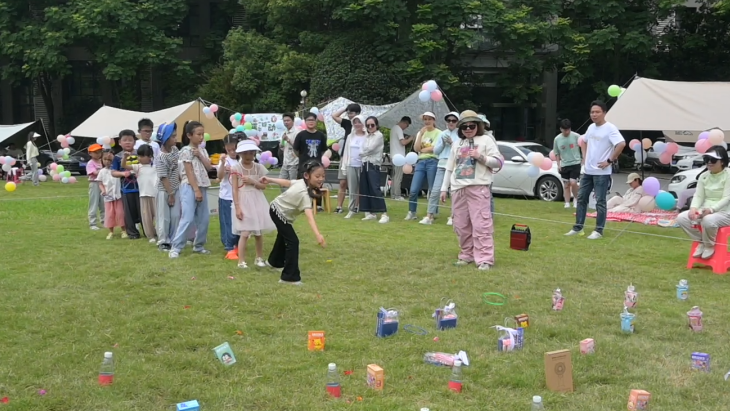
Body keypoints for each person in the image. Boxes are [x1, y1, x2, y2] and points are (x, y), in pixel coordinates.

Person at [439, 110, 502, 270]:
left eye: (471, 125)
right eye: (464, 126)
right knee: (460, 225)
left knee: (481, 224)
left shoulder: (487, 140)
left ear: (478, 125)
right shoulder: (457, 144)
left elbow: (498, 162)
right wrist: (443, 189)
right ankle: (466, 254)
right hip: (458, 189)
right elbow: (449, 168)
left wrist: (481, 157)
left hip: (478, 188)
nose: (468, 129)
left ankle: (484, 259)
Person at [259, 160, 327, 285]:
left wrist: (269, 179)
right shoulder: (304, 194)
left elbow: (288, 182)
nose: (320, 179)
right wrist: (318, 234)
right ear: (307, 176)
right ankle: (289, 277)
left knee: (283, 236)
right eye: (317, 176)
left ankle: (274, 262)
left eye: (323, 176)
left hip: (279, 212)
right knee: (293, 241)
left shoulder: (302, 183)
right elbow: (309, 216)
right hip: (277, 211)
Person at [565, 100, 626, 240]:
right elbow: (584, 141)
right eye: (592, 112)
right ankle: (578, 227)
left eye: (597, 112)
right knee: (581, 199)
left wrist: (610, 160)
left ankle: (598, 230)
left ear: (604, 113)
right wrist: (585, 158)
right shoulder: (591, 127)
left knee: (600, 201)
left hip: (602, 173)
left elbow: (621, 144)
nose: (594, 114)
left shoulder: (610, 128)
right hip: (588, 171)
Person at [676, 146, 730, 260]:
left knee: (708, 220)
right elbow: (699, 195)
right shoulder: (704, 176)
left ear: (723, 162)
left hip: (726, 212)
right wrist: (693, 208)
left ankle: (709, 246)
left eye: (713, 160)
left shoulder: (728, 175)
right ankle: (701, 241)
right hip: (706, 209)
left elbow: (727, 197)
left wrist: (711, 210)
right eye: (707, 159)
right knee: (682, 218)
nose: (709, 162)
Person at [169, 121, 214, 258]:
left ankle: (199, 245)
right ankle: (176, 247)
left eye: (202, 134)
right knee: (187, 218)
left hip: (203, 185)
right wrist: (196, 190)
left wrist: (200, 155)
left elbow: (209, 168)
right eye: (198, 134)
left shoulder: (203, 150)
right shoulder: (185, 151)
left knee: (204, 218)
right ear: (189, 135)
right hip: (189, 186)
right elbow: (188, 172)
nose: (201, 137)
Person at [231, 139, 276, 269]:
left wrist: (252, 181)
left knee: (258, 232)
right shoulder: (236, 168)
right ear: (240, 154)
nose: (248, 156)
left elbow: (263, 186)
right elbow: (234, 189)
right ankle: (241, 260)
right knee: (245, 232)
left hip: (257, 200)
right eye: (245, 153)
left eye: (251, 153)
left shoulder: (258, 168)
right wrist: (237, 207)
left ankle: (259, 257)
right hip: (243, 200)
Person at [422, 112, 459, 225]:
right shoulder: (443, 133)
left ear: (457, 122)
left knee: (454, 192)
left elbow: (460, 150)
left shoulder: (461, 134)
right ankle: (429, 216)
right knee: (435, 190)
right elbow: (436, 151)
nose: (451, 122)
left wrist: (452, 143)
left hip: (455, 165)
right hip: (442, 164)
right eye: (449, 120)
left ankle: (453, 216)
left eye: (453, 120)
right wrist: (443, 143)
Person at [405, 112, 441, 221]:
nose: (427, 121)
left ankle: (432, 213)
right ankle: (412, 212)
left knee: (432, 189)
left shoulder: (439, 133)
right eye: (425, 119)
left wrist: (423, 149)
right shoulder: (421, 132)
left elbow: (434, 148)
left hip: (433, 161)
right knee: (413, 189)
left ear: (434, 120)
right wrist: (420, 135)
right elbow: (416, 148)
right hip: (420, 161)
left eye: (430, 119)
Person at [122, 144, 157, 243]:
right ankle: (150, 235)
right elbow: (124, 165)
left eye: (142, 156)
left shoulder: (155, 167)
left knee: (158, 216)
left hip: (154, 195)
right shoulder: (138, 167)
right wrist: (125, 157)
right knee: (146, 217)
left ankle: (159, 232)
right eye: (139, 156)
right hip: (143, 195)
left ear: (150, 156)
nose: (139, 158)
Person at [111, 130, 142, 239]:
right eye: (125, 140)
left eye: (130, 140)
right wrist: (123, 173)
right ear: (119, 142)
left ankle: (148, 231)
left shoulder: (140, 154)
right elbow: (113, 172)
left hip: (142, 188)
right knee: (128, 212)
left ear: (134, 142)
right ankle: (132, 233)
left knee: (143, 211)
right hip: (126, 188)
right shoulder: (117, 157)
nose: (127, 142)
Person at [359, 116, 390, 223]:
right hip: (365, 163)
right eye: (368, 125)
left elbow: (370, 149)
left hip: (373, 164)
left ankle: (384, 213)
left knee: (375, 188)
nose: (370, 127)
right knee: (366, 188)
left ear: (376, 125)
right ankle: (370, 212)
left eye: (372, 125)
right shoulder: (367, 136)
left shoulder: (379, 135)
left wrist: (362, 152)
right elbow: (362, 148)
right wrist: (363, 152)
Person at [155, 123, 180, 251]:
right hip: (164, 190)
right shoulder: (160, 157)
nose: (176, 139)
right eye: (173, 136)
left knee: (176, 215)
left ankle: (175, 238)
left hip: (176, 187)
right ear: (165, 139)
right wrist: (170, 194)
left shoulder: (175, 151)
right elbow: (163, 177)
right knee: (163, 216)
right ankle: (163, 241)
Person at [332, 103, 361, 213]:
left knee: (356, 183)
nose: (349, 115)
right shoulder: (347, 123)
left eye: (351, 113)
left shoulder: (362, 126)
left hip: (357, 157)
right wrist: (345, 108)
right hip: (345, 156)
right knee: (342, 182)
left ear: (357, 114)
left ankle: (356, 206)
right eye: (348, 113)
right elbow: (334, 116)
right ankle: (339, 206)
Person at [217, 134, 241, 260]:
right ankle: (229, 247)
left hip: (240, 196)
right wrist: (222, 165)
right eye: (229, 149)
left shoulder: (241, 160)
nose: (232, 152)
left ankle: (237, 243)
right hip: (226, 196)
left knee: (239, 221)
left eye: (234, 149)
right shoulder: (225, 160)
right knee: (227, 222)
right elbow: (219, 177)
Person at [341, 115, 367, 219]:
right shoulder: (350, 136)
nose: (357, 124)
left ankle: (365, 209)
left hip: (363, 165)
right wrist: (344, 166)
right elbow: (346, 152)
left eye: (359, 122)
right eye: (355, 122)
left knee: (363, 189)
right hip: (351, 165)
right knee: (352, 189)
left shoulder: (367, 136)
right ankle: (351, 209)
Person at [553, 119, 582, 208]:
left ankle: (576, 199)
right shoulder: (557, 139)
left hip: (575, 163)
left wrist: (583, 160)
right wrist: (558, 164)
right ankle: (567, 202)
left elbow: (584, 147)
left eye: (568, 129)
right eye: (565, 130)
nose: (567, 132)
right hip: (564, 164)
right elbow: (556, 153)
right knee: (566, 185)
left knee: (573, 182)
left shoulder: (576, 136)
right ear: (561, 129)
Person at [97, 151, 125, 239]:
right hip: (108, 197)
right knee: (109, 215)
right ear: (102, 160)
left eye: (110, 160)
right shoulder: (101, 172)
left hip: (118, 196)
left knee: (120, 213)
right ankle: (111, 231)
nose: (107, 161)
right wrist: (103, 190)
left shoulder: (117, 170)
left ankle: (124, 230)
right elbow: (100, 183)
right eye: (105, 159)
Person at [293, 112, 328, 179]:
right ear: (305, 121)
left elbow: (323, 151)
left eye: (312, 120)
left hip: (317, 166)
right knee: (302, 186)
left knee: (316, 187)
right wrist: (302, 156)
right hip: (303, 166)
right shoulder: (300, 135)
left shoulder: (321, 135)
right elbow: (295, 150)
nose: (310, 122)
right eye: (308, 120)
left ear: (316, 121)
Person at [389, 116, 413, 200]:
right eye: (407, 126)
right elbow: (403, 142)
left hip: (393, 155)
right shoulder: (398, 129)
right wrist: (411, 138)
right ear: (405, 123)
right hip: (399, 157)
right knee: (398, 177)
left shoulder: (393, 128)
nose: (405, 128)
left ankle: (393, 194)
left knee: (394, 176)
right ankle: (397, 195)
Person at [86, 144, 105, 230]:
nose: (98, 154)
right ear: (90, 153)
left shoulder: (103, 161)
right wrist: (104, 170)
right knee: (94, 203)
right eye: (95, 152)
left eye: (99, 152)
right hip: (94, 184)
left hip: (103, 184)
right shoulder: (90, 163)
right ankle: (92, 223)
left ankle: (105, 221)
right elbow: (94, 173)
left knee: (103, 204)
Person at [278, 113, 298, 191]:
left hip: (294, 162)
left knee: (293, 184)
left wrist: (288, 140)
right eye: (284, 121)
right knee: (281, 182)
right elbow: (282, 146)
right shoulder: (284, 132)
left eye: (288, 120)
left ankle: (293, 201)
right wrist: (282, 141)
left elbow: (297, 147)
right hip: (285, 162)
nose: (286, 122)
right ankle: (285, 199)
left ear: (293, 121)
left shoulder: (297, 132)